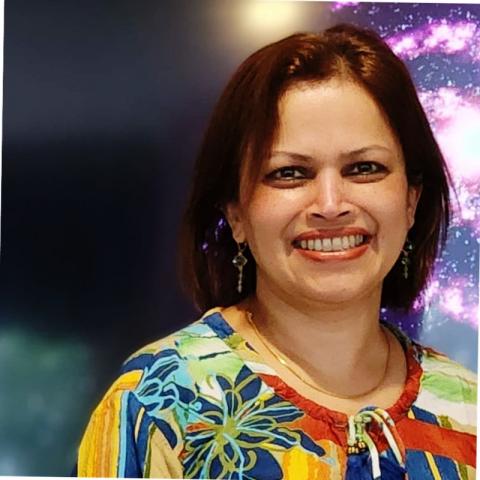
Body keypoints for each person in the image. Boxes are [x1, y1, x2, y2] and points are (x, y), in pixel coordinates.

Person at [76, 23, 476, 479]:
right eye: (289, 173)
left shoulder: (468, 409)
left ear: (411, 201)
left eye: (364, 168)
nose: (331, 205)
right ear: (236, 213)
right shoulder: (157, 405)